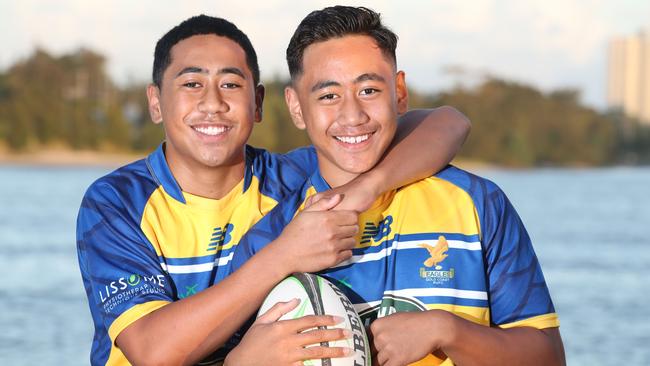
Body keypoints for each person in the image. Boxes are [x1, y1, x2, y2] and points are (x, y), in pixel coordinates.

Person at [76, 14, 471, 366]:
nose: (212, 103)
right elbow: (152, 352)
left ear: (259, 102)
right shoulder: (116, 202)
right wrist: (283, 255)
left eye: (231, 84)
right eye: (192, 84)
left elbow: (447, 122)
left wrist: (369, 187)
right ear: (156, 102)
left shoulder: (293, 178)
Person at [228, 6, 565, 366]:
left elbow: (548, 358)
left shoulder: (476, 203)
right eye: (328, 96)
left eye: (369, 89)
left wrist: (446, 330)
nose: (352, 115)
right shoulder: (271, 238)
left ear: (400, 92)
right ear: (296, 107)